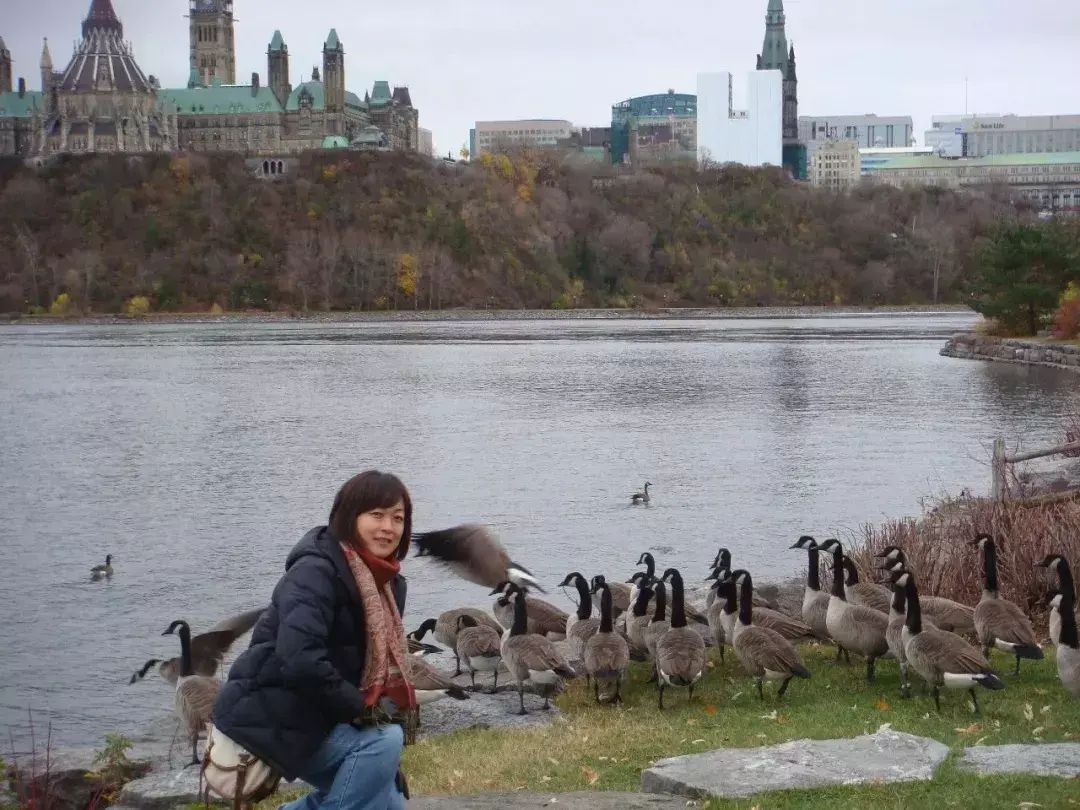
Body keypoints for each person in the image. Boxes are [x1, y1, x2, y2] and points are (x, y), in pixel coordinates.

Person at [211, 470, 417, 810]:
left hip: (318, 716)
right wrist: (363, 711)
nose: (388, 528)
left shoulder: (387, 584)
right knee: (383, 741)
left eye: (398, 518)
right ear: (349, 516)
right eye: (376, 515)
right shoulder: (315, 572)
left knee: (388, 801)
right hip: (273, 717)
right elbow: (299, 660)